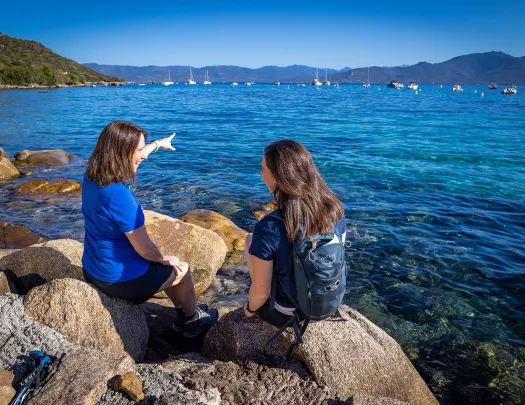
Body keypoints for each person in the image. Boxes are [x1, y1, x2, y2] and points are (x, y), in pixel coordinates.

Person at [81, 120, 218, 338]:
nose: (142, 156)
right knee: (181, 270)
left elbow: (139, 152)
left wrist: (157, 144)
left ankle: (183, 312)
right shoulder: (118, 195)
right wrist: (163, 259)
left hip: (92, 269)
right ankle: (191, 321)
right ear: (120, 152)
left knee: (163, 269)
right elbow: (144, 249)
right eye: (138, 151)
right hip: (118, 281)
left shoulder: (92, 177)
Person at [243, 139, 346, 326]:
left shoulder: (269, 227)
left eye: (263, 170)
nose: (260, 174)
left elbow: (262, 292)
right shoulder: (334, 209)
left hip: (285, 313)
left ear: (277, 177)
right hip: (327, 302)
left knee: (249, 240)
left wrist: (249, 309)